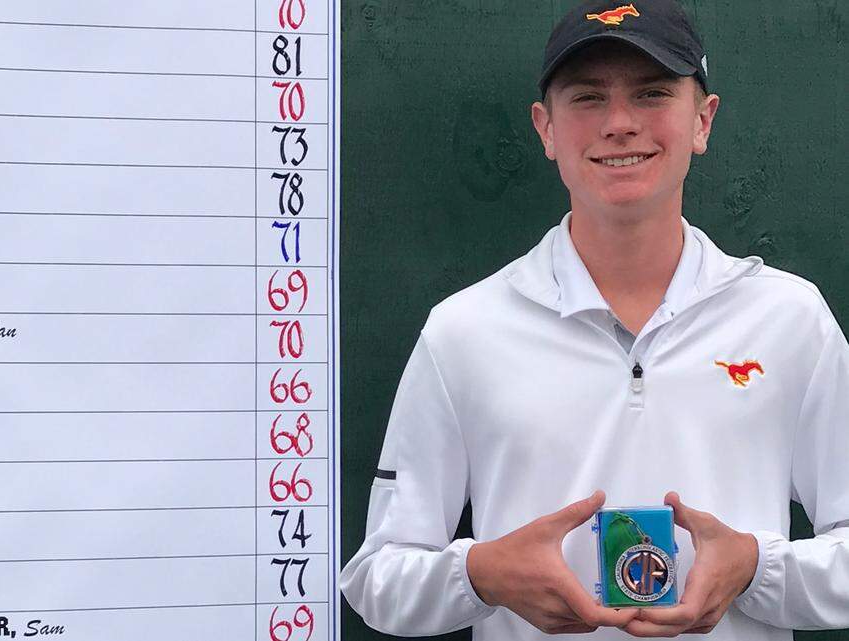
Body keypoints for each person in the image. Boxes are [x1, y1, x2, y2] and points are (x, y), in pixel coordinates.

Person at [339, 1, 849, 639]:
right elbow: (377, 579)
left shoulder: (790, 319)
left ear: (703, 120)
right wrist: (481, 574)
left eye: (653, 93)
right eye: (586, 98)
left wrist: (756, 568)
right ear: (545, 128)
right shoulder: (464, 331)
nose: (619, 124)